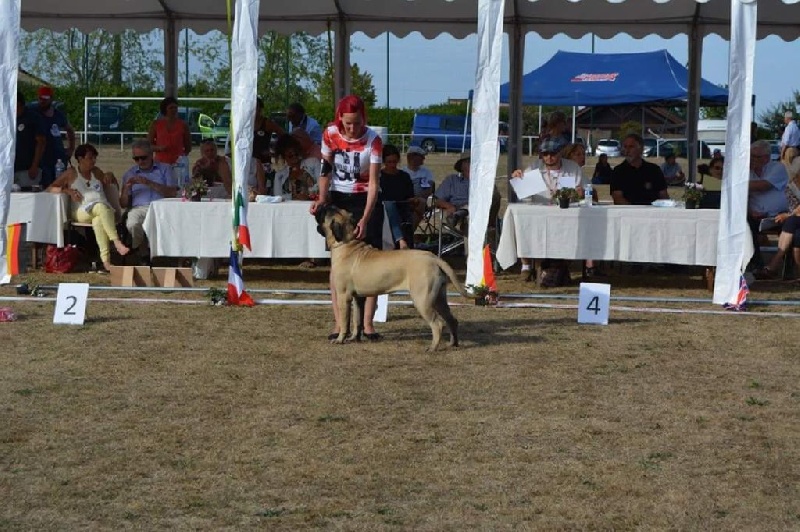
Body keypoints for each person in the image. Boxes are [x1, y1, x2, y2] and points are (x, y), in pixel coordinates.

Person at [310, 95, 384, 341]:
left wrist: (365, 217)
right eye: (348, 123)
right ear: (340, 119)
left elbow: (374, 183)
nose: (352, 129)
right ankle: (339, 324)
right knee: (338, 264)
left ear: (364, 118)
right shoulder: (330, 133)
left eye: (357, 123)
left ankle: (368, 324)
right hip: (338, 200)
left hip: (365, 199)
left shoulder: (373, 140)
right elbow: (325, 168)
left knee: (372, 261)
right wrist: (322, 199)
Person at [46, 144, 129, 271]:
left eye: (95, 158)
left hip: (101, 210)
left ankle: (106, 262)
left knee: (99, 220)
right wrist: (67, 191)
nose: (93, 161)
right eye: (90, 158)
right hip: (81, 210)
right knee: (101, 208)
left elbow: (112, 185)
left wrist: (110, 176)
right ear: (80, 159)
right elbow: (50, 188)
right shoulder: (71, 173)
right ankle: (116, 242)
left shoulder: (96, 172)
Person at [511, 138, 584, 283]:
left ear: (560, 153)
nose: (549, 157)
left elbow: (578, 191)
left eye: (553, 154)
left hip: (564, 212)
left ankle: (559, 267)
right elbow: (523, 188)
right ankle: (526, 265)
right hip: (539, 211)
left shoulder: (572, 168)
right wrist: (518, 177)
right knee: (523, 225)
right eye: (545, 154)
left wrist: (576, 193)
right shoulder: (534, 168)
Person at [120, 140, 178, 264]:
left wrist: (149, 183)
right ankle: (141, 249)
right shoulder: (129, 174)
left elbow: (173, 193)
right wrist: (126, 189)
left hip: (161, 207)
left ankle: (151, 251)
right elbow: (123, 204)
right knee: (133, 224)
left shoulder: (165, 169)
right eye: (136, 159)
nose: (140, 161)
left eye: (143, 157)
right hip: (139, 208)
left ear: (151, 155)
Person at [753, 156, 800, 280]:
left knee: (791, 221)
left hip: (795, 219)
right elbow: (795, 208)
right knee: (795, 230)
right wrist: (790, 214)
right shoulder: (791, 187)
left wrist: (789, 215)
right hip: (796, 219)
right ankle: (781, 267)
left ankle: (773, 264)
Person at [747, 140, 790, 271]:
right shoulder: (746, 171)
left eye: (756, 156)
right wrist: (749, 211)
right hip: (755, 215)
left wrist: (737, 183)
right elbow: (742, 197)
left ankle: (787, 266)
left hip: (779, 215)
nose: (753, 159)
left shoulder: (777, 168)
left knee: (793, 228)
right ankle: (756, 264)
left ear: (767, 157)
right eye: (751, 156)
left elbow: (763, 186)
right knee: (745, 225)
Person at [35, 86, 76, 189]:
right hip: (42, 157)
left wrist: (71, 148)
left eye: (45, 99)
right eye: (40, 99)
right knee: (45, 185)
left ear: (51, 99)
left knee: (60, 184)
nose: (42, 101)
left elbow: (70, 130)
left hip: (58, 157)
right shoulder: (34, 113)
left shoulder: (59, 115)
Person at [610, 133, 669, 205]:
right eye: (625, 147)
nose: (627, 151)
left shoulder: (654, 170)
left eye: (631, 147)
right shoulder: (618, 171)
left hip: (653, 213)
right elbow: (618, 198)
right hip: (628, 213)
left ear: (641, 149)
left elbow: (663, 196)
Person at [147, 96, 192, 183]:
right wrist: (159, 148)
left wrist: (180, 156)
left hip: (178, 164)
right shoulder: (156, 124)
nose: (174, 110)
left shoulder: (183, 125)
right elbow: (148, 145)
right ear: (165, 109)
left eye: (175, 107)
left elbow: (188, 147)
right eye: (171, 108)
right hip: (160, 163)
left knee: (179, 186)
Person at [380, 144, 415, 249]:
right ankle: (400, 239)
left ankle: (401, 239)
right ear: (384, 162)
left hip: (403, 206)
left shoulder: (404, 176)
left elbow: (410, 195)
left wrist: (413, 200)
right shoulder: (379, 177)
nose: (392, 165)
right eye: (389, 162)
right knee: (389, 205)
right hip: (383, 209)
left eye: (394, 162)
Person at [14, 91, 46, 190]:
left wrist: (35, 165)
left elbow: (41, 142)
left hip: (28, 169)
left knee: (27, 197)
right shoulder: (7, 118)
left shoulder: (33, 118)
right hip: (10, 168)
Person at [273, 134, 316, 200]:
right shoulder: (279, 175)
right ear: (284, 156)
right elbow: (277, 197)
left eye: (296, 153)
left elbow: (321, 184)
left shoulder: (313, 163)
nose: (294, 157)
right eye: (290, 155)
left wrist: (308, 195)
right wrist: (293, 196)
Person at [402, 145, 435, 227]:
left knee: (421, 202)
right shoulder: (402, 172)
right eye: (421, 156)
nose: (424, 159)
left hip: (420, 201)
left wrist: (417, 198)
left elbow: (429, 189)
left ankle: (410, 231)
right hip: (405, 200)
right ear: (411, 157)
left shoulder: (426, 172)